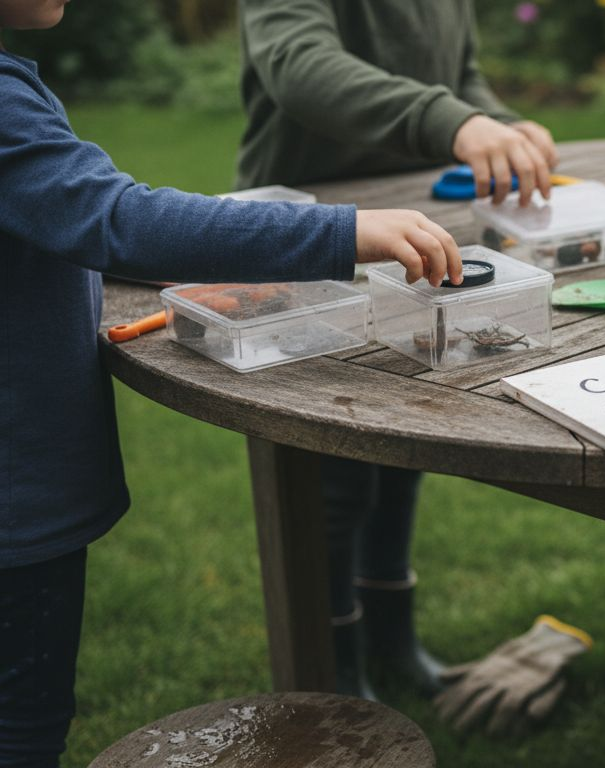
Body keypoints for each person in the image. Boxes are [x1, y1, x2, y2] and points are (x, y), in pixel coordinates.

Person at [0, 2, 465, 765]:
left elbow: (60, 219)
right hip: (17, 500)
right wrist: (343, 232)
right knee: (23, 723)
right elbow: (112, 218)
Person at [235, 0, 561, 701]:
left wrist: (496, 123)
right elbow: (299, 66)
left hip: (411, 228)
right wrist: (455, 122)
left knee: (400, 442)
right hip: (306, 235)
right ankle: (333, 672)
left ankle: (390, 639)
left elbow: (456, 74)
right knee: (333, 470)